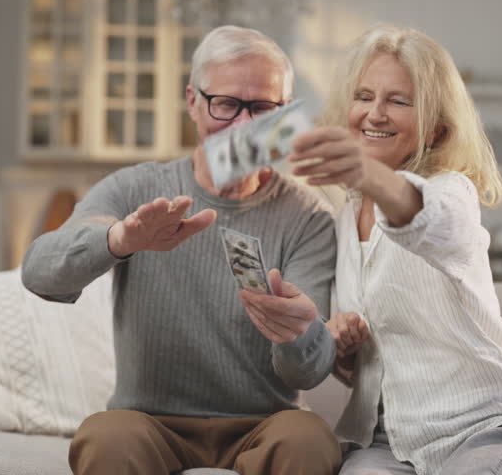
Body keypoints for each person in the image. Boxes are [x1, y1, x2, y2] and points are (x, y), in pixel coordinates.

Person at [243, 25, 502, 474]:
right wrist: (340, 347)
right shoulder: (344, 218)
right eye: (364, 96)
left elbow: (428, 217)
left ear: (435, 130)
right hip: (386, 441)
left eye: (398, 101)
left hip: (484, 428)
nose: (375, 114)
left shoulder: (452, 192)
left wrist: (367, 172)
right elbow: (371, 366)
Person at [21, 25, 341, 475]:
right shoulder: (135, 188)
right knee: (105, 436)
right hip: (148, 422)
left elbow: (308, 372)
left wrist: (298, 334)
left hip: (265, 424)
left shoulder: (309, 216)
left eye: (262, 108)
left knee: (309, 439)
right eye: (226, 104)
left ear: (284, 113)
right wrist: (118, 241)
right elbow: (37, 271)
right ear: (193, 101)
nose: (243, 125)